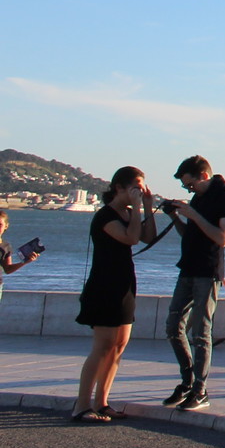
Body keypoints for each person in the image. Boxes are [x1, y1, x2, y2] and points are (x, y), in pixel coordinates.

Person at [72, 167, 157, 422]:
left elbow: (147, 237)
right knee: (102, 346)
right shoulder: (105, 216)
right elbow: (131, 239)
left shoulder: (128, 213)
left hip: (124, 283)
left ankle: (102, 401)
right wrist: (137, 208)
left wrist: (148, 208)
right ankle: (82, 405)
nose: (141, 191)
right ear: (120, 187)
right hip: (104, 283)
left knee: (119, 345)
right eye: (137, 186)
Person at [160, 155, 225, 412]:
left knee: (201, 333)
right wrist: (176, 217)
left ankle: (200, 390)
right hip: (188, 268)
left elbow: (223, 237)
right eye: (186, 187)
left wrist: (193, 214)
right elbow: (191, 233)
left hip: (207, 271)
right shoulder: (200, 196)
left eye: (190, 185)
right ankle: (187, 381)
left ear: (203, 176)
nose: (188, 190)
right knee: (173, 327)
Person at [1, 208, 46, 303]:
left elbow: (8, 269)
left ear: (6, 226)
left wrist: (25, 261)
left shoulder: (5, 247)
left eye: (0, 225)